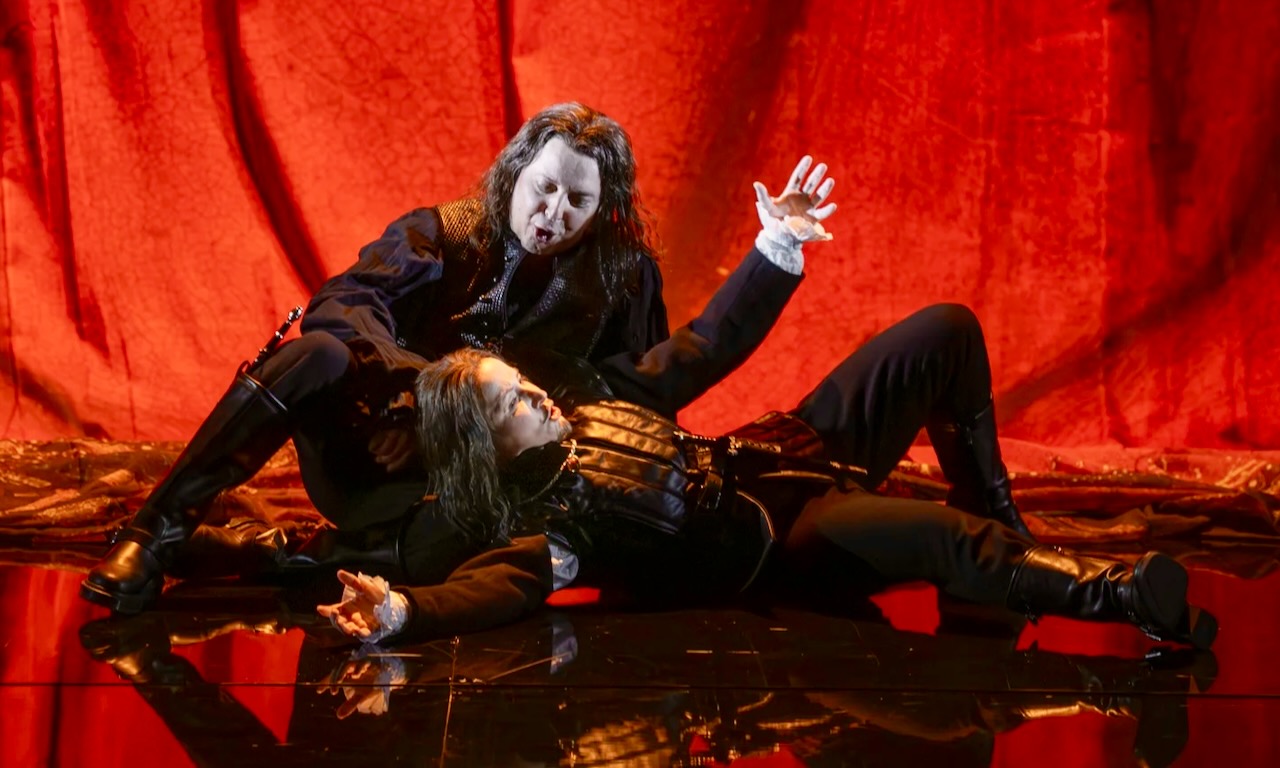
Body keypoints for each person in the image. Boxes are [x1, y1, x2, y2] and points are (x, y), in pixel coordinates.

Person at [316, 185, 1215, 651]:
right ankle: (1121, 594)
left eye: (519, 381)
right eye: (512, 400)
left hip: (784, 452)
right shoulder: (548, 529)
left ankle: (1001, 514)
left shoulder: (593, 403)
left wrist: (775, 243)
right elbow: (492, 592)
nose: (533, 391)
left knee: (945, 332)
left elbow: (705, 346)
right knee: (943, 538)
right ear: (491, 445)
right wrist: (401, 613)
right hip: (792, 540)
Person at [79, 101, 844, 615]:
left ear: (601, 208)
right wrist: (421, 398)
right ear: (517, 173)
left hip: (486, 492)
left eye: (577, 202)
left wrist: (775, 250)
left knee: (469, 545)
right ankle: (155, 535)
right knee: (315, 352)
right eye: (543, 189)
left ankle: (260, 557)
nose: (552, 214)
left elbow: (648, 388)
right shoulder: (441, 234)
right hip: (376, 462)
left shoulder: (622, 278)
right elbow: (343, 306)